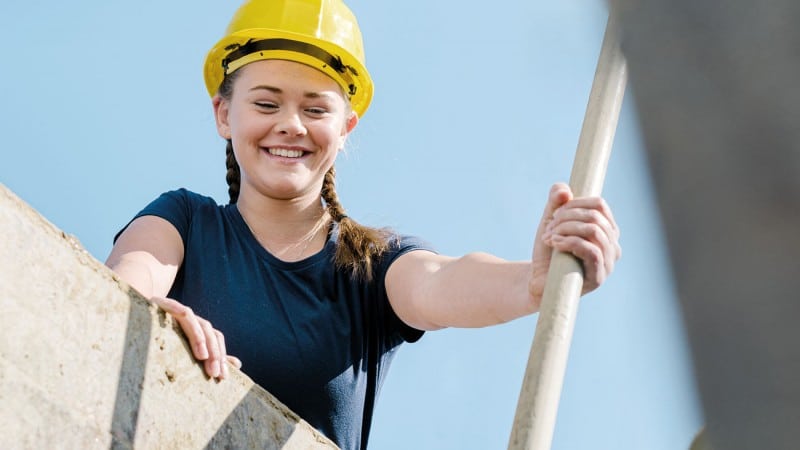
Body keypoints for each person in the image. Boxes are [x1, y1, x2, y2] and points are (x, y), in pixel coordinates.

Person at [105, 0, 622, 448]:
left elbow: (440, 280)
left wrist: (530, 283)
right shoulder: (184, 221)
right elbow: (121, 284)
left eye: (316, 108)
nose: (291, 123)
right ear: (223, 114)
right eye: (266, 102)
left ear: (346, 127)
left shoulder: (370, 265)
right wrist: (150, 311)